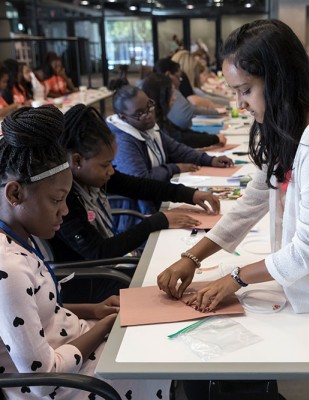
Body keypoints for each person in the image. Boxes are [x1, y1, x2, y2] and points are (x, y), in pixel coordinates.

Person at [157, 19, 309, 400]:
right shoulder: (286, 123)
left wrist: (234, 277)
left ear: (279, 79)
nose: (240, 103)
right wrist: (193, 255)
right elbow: (253, 199)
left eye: (246, 91)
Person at [0, 104, 171, 400]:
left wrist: (93, 310)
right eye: (57, 200)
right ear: (15, 194)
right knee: (157, 360)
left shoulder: (17, 239)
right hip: (69, 385)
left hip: (75, 345)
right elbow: (43, 380)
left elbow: (40, 315)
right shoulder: (8, 269)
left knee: (156, 338)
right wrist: (104, 325)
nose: (65, 211)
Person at [51, 103, 220, 302]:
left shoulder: (88, 177)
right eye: (105, 165)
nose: (111, 171)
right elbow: (99, 252)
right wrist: (157, 221)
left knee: (168, 270)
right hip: (85, 281)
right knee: (163, 284)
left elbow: (139, 185)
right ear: (77, 161)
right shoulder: (64, 198)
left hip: (104, 268)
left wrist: (190, 194)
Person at [106, 84, 233, 215]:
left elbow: (177, 149)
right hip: (141, 212)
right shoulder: (122, 141)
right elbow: (142, 181)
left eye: (149, 106)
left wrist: (209, 160)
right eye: (139, 113)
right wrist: (174, 168)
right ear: (123, 117)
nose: (148, 114)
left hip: (161, 196)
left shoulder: (147, 126)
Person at [141, 72, 227, 148]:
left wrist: (213, 137)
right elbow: (181, 138)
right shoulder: (154, 124)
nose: (174, 98)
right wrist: (214, 139)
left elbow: (182, 133)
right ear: (162, 97)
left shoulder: (160, 118)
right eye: (171, 93)